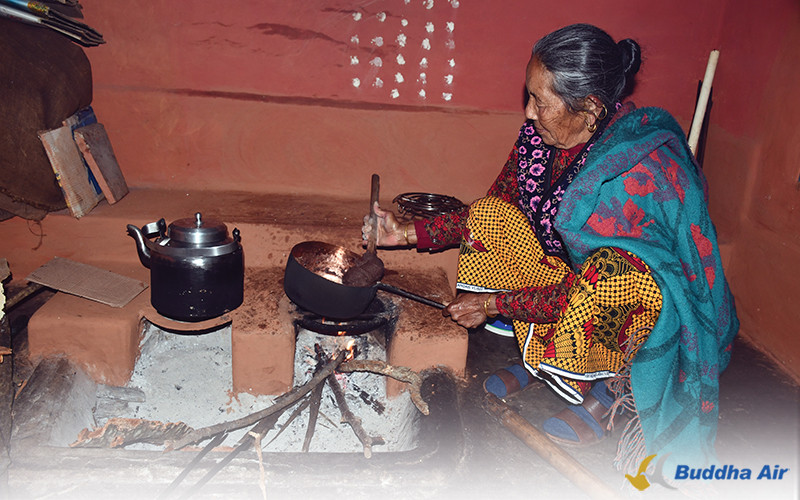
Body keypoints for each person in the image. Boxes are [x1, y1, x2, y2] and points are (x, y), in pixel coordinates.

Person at [363, 23, 738, 472]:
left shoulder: (634, 173)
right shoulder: (542, 139)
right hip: (565, 285)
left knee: (613, 278)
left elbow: (594, 284)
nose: (528, 111)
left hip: (634, 303)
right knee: (491, 215)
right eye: (530, 95)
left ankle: (606, 391)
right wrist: (404, 234)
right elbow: (494, 208)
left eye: (540, 100)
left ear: (590, 107)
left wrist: (495, 305)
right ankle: (544, 363)